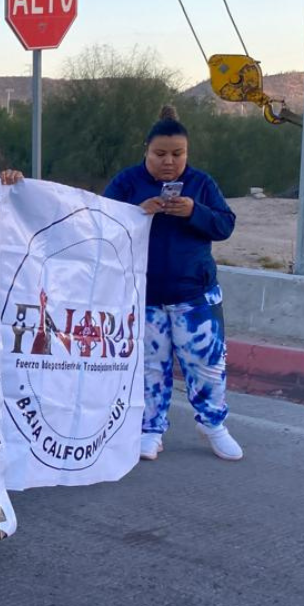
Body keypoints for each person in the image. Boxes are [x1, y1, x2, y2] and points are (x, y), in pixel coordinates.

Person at [103, 106, 241, 462]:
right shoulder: (128, 182)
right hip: (144, 296)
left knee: (206, 364)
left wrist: (195, 211)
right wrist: (138, 210)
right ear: (145, 151)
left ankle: (213, 424)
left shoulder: (201, 183)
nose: (169, 162)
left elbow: (225, 226)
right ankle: (151, 429)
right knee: (151, 367)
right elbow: (102, 224)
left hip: (195, 295)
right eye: (160, 154)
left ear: (187, 154)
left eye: (177, 154)